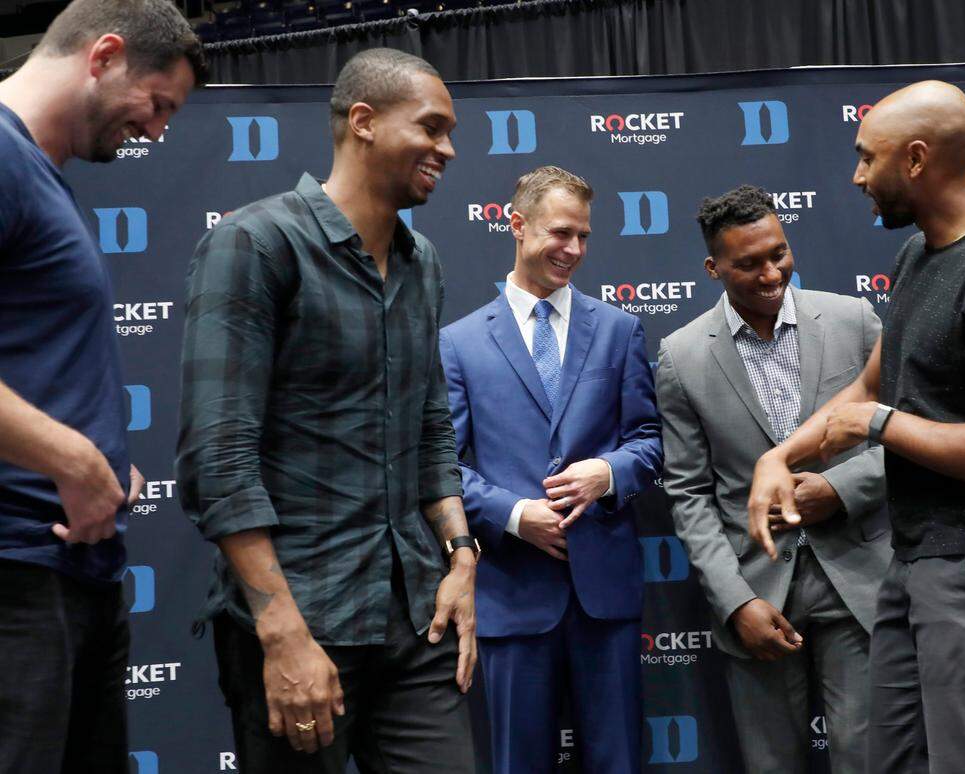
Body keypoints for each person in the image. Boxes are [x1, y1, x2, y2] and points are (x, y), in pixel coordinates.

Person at [748, 81, 965, 774]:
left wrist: (879, 424)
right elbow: (871, 386)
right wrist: (778, 457)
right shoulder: (919, 258)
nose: (857, 175)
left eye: (868, 158)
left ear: (918, 159)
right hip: (922, 561)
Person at [176, 48, 478, 773]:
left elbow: (430, 423)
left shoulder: (423, 261)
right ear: (364, 122)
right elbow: (217, 458)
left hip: (414, 614)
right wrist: (279, 630)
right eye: (432, 127)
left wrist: (462, 557)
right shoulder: (255, 243)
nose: (448, 149)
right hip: (299, 616)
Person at [0, 1, 203, 771]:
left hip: (68, 576)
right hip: (17, 578)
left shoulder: (46, 179)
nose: (155, 132)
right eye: (156, 105)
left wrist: (104, 458)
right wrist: (75, 462)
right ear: (104, 54)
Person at [655, 185, 889, 774]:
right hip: (757, 594)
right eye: (748, 263)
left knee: (869, 760)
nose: (771, 273)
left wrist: (839, 489)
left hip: (859, 583)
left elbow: (907, 432)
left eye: (778, 253)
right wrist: (735, 602)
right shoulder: (681, 356)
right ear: (714, 268)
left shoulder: (853, 320)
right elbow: (687, 492)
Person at [439, 165, 662, 774]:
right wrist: (514, 515)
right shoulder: (457, 344)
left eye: (584, 237)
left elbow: (648, 442)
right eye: (561, 233)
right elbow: (445, 466)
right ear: (516, 225)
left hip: (604, 595)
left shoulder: (619, 330)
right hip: (512, 595)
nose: (575, 250)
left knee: (619, 761)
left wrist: (607, 474)